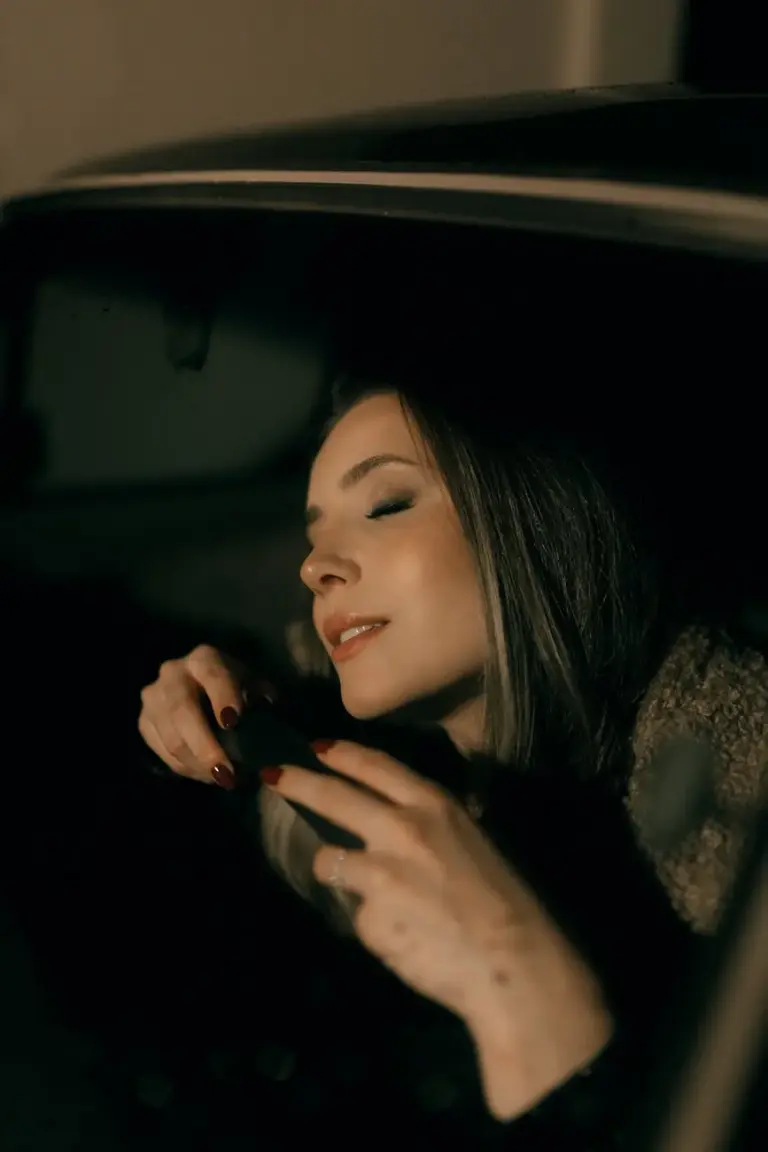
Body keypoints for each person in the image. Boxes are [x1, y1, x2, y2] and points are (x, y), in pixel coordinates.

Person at [136, 369, 699, 1146]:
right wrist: (212, 731)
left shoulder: (715, 840)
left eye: (387, 504)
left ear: (540, 521)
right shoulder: (338, 774)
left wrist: (541, 1011)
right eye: (313, 535)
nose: (315, 567)